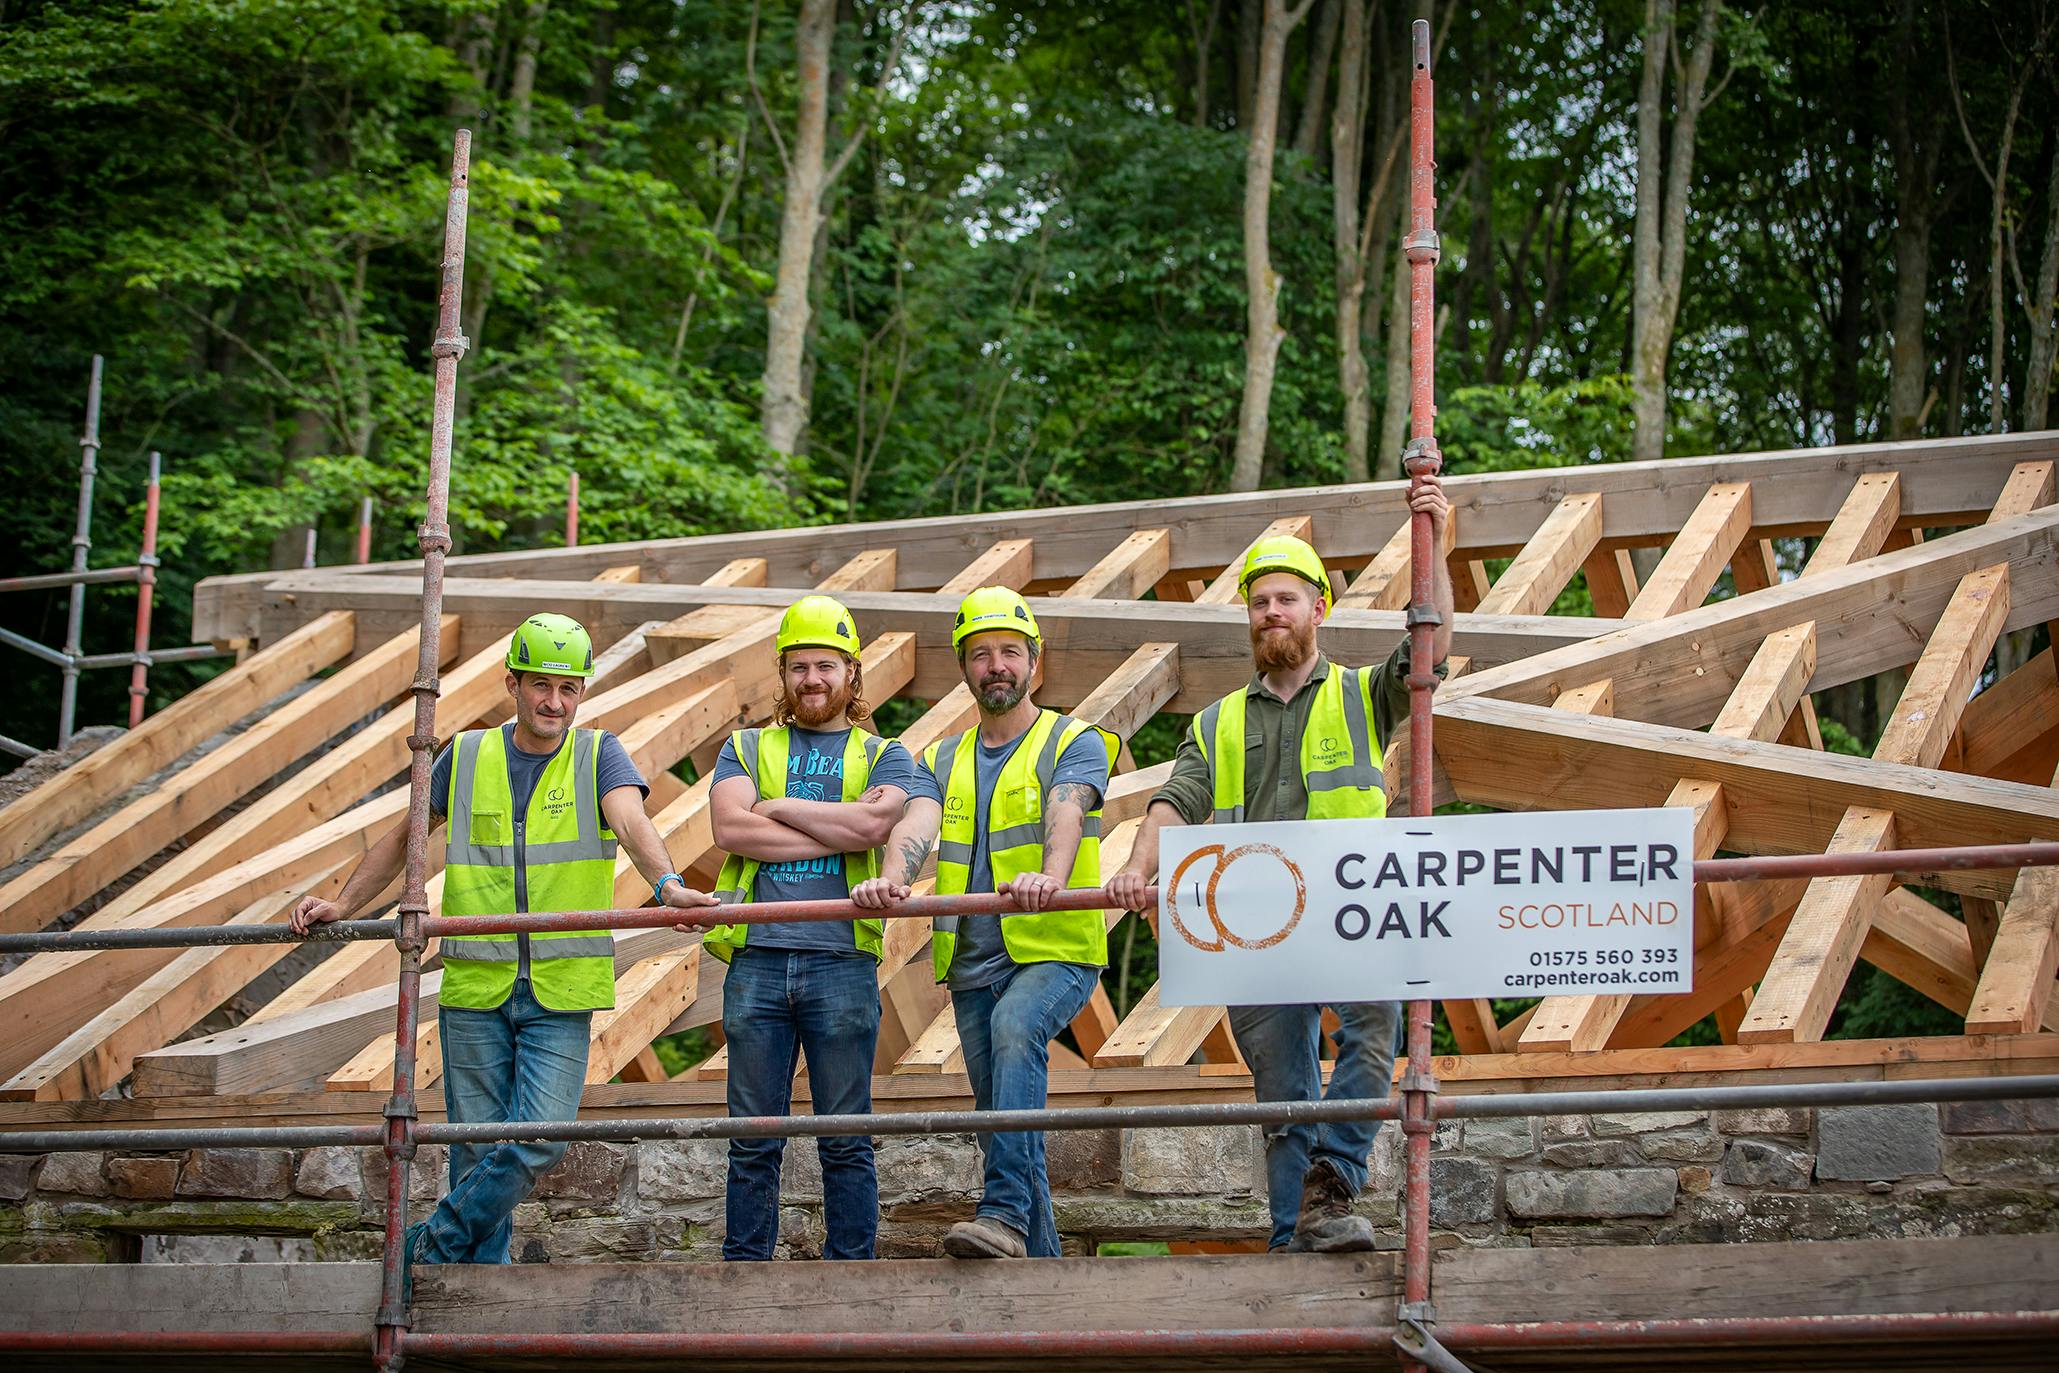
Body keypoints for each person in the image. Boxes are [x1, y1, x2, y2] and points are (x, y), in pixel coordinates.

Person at [291, 611, 716, 1269]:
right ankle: (472, 1291)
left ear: (581, 690)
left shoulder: (598, 753)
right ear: (513, 682)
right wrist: (344, 901)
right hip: (476, 986)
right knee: (474, 1149)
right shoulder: (463, 755)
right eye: (541, 685)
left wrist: (666, 885)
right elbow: (404, 836)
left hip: (560, 986)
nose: (554, 702)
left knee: (539, 1136)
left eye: (568, 687)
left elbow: (632, 824)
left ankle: (430, 1244)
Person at [1107, 480, 1454, 1254]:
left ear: (1317, 610)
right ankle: (1295, 1232)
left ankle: (1332, 1181)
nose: (1271, 612)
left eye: (1286, 599)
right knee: (1283, 1085)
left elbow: (1430, 648)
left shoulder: (1365, 694)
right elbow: (1178, 799)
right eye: (1259, 601)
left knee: (1372, 1027)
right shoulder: (1216, 720)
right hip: (1252, 922)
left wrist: (1434, 539)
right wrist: (1137, 862)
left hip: (1344, 906)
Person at [853, 587, 1116, 1260]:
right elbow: (917, 824)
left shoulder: (1072, 739)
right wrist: (892, 876)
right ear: (964, 668)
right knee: (1002, 1119)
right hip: (972, 962)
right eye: (980, 654)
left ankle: (1000, 1211)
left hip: (1051, 948)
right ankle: (1047, 1285)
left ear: (1035, 662)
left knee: (1015, 1030)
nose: (995, 664)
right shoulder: (940, 759)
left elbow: (1067, 808)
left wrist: (1050, 876)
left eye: (1008, 651)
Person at [700, 594, 916, 1261]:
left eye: (825, 665)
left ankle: (851, 1273)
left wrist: (777, 807)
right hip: (758, 957)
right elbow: (730, 828)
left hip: (839, 961)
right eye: (798, 666)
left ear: (852, 673)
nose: (811, 679)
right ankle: (745, 1276)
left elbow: (875, 827)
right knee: (752, 1137)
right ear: (783, 674)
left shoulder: (885, 753)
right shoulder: (744, 745)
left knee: (845, 1134)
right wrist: (834, 824)